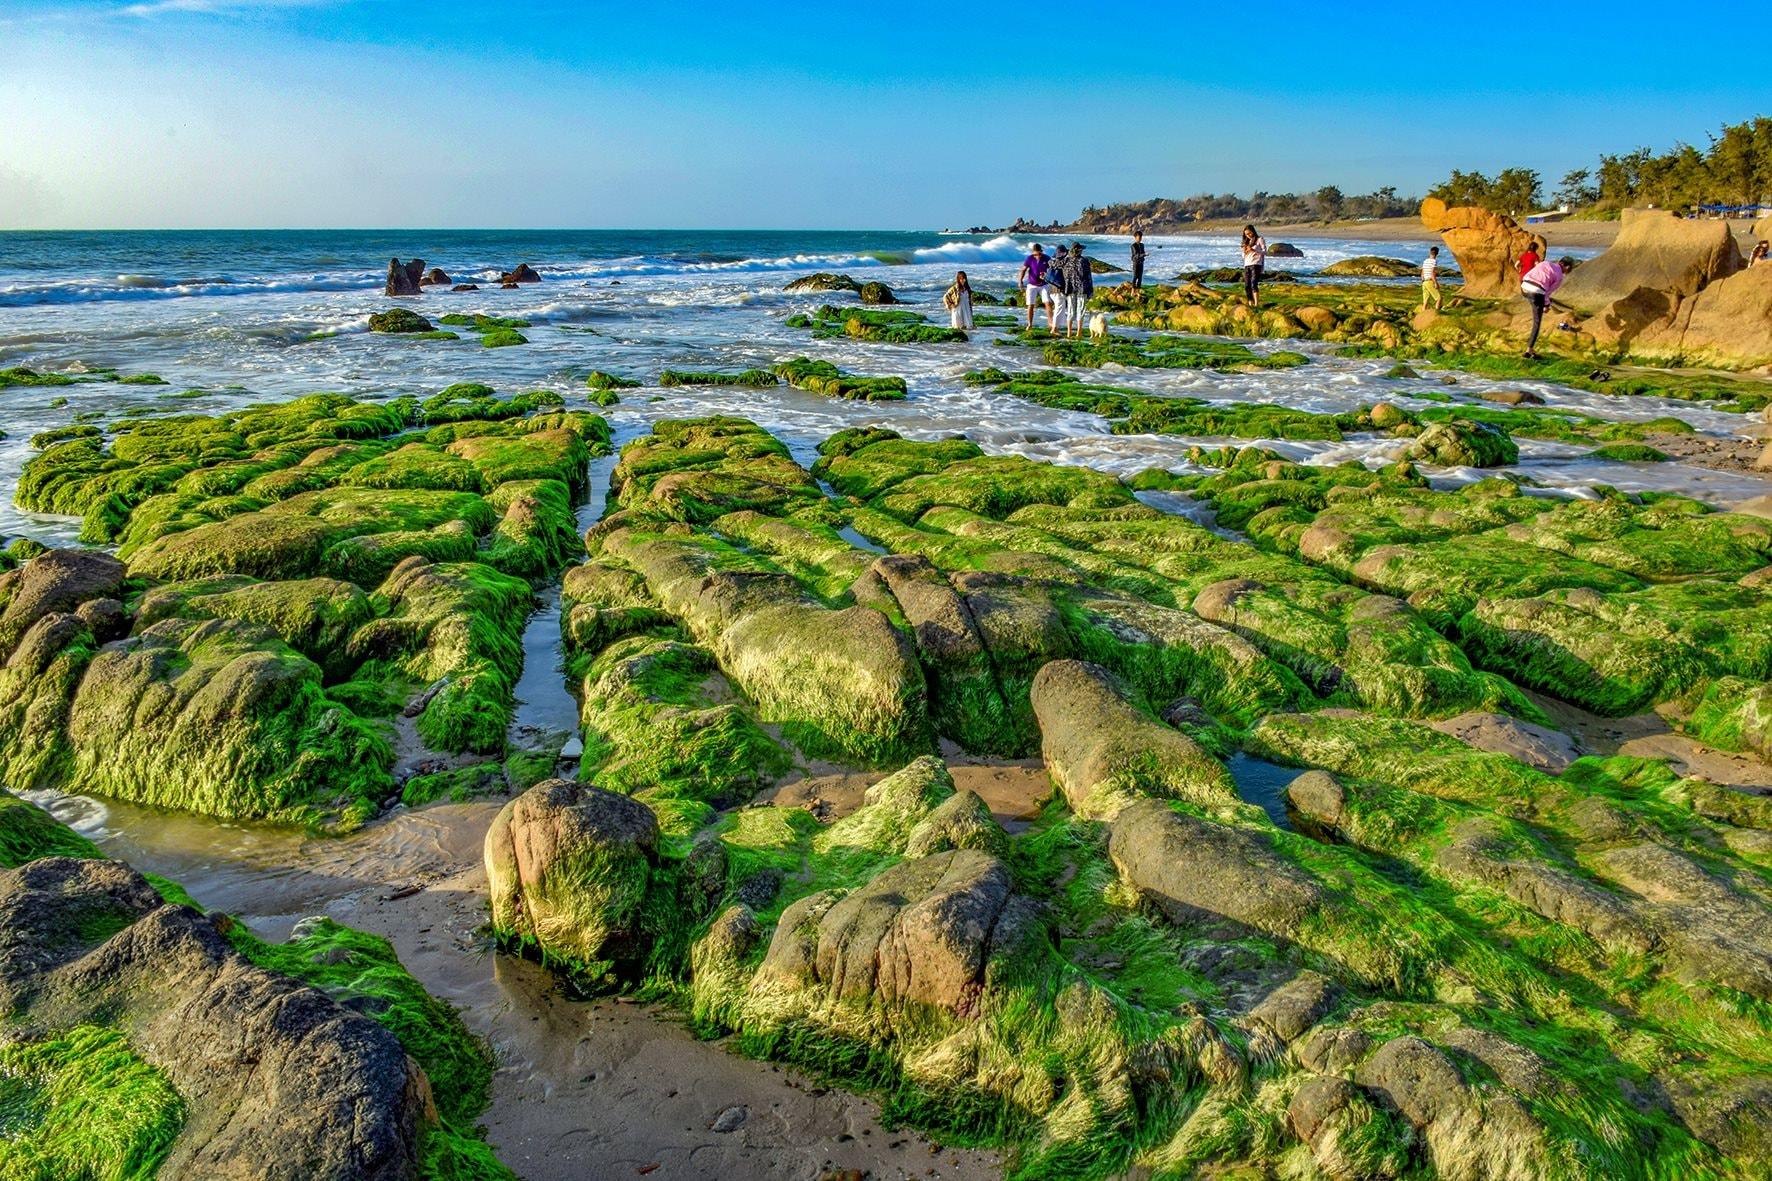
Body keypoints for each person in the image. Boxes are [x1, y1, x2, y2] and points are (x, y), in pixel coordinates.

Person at [1520, 255, 1571, 358]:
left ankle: (1531, 348)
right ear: (1567, 267)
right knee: (1537, 322)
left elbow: (1531, 273)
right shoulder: (1559, 276)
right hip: (1536, 292)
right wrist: (1546, 305)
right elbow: (1547, 293)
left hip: (1524, 287)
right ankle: (1529, 349)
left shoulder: (1545, 263)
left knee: (1535, 301)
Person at [1064, 242, 1094, 339]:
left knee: (1070, 311)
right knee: (1080, 311)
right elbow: (1088, 276)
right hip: (1082, 288)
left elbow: (1065, 275)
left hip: (1070, 289)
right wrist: (1090, 290)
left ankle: (1069, 332)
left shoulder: (1067, 260)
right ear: (1079, 250)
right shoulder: (1084, 261)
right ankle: (1079, 332)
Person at [1017, 244, 1050, 331]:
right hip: (1031, 285)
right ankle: (1030, 324)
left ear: (1041, 252)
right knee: (1030, 305)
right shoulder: (1030, 258)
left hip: (1044, 284)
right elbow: (1023, 269)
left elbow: (1052, 271)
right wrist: (1020, 281)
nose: (1037, 256)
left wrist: (1047, 275)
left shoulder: (1047, 258)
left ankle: (1050, 324)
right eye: (1035, 254)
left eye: (1039, 254)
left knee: (1047, 303)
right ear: (1033, 253)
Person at [1047, 243, 1071, 334]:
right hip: (1059, 289)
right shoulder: (1063, 263)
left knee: (1058, 308)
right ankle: (1054, 329)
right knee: (1059, 309)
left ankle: (1056, 327)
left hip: (1052, 288)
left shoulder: (1051, 262)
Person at [1240, 224, 1266, 306]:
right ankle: (1250, 304)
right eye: (1246, 234)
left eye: (1249, 233)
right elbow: (1243, 256)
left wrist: (1253, 250)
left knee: (1253, 283)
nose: (1248, 235)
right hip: (1247, 264)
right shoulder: (1246, 242)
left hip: (1256, 263)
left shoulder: (1259, 239)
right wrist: (1244, 251)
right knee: (1247, 285)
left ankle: (1256, 304)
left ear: (1253, 231)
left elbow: (1265, 251)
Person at [1420, 246, 1443, 311]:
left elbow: (1422, 273)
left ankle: (1422, 316)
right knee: (1439, 298)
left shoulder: (1425, 261)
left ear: (1430, 252)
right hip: (1429, 281)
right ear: (1437, 254)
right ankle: (1437, 313)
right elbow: (1432, 273)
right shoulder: (1434, 261)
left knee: (1425, 301)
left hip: (1424, 282)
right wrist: (1435, 283)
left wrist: (1423, 281)